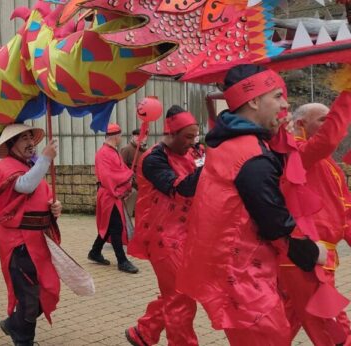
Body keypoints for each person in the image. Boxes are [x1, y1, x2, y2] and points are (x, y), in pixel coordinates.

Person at [176, 64, 323, 345]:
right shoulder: (250, 154)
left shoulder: (230, 143)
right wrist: (310, 253)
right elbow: (273, 220)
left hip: (235, 270)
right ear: (254, 101)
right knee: (271, 337)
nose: (285, 104)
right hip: (242, 276)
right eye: (277, 96)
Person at [124, 106, 202, 346]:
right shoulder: (154, 159)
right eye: (187, 137)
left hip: (188, 234)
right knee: (181, 298)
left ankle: (145, 331)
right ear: (171, 133)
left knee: (178, 292)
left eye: (194, 137)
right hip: (163, 238)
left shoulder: (190, 153)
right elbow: (181, 189)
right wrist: (208, 166)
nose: (191, 143)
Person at [278, 93, 351, 345]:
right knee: (331, 325)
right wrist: (347, 92)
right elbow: (328, 139)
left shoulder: (327, 164)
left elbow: (346, 212)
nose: (329, 125)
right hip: (306, 255)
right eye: (323, 120)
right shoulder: (297, 153)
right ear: (300, 124)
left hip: (315, 256)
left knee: (286, 322)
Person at [0, 124, 63, 346]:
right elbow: (25, 186)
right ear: (11, 145)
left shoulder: (31, 165)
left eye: (31, 138)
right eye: (23, 139)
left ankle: (13, 324)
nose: (30, 143)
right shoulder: (6, 166)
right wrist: (45, 159)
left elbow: (41, 198)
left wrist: (54, 208)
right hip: (17, 242)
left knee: (45, 289)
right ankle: (23, 339)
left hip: (38, 241)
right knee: (29, 297)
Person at [89, 123, 139, 274]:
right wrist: (127, 177)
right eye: (120, 136)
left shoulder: (112, 152)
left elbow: (121, 170)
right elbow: (108, 176)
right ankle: (122, 260)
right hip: (109, 195)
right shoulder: (103, 153)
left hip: (112, 194)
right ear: (116, 136)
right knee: (115, 226)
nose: (121, 138)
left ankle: (95, 252)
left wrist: (127, 180)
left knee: (110, 226)